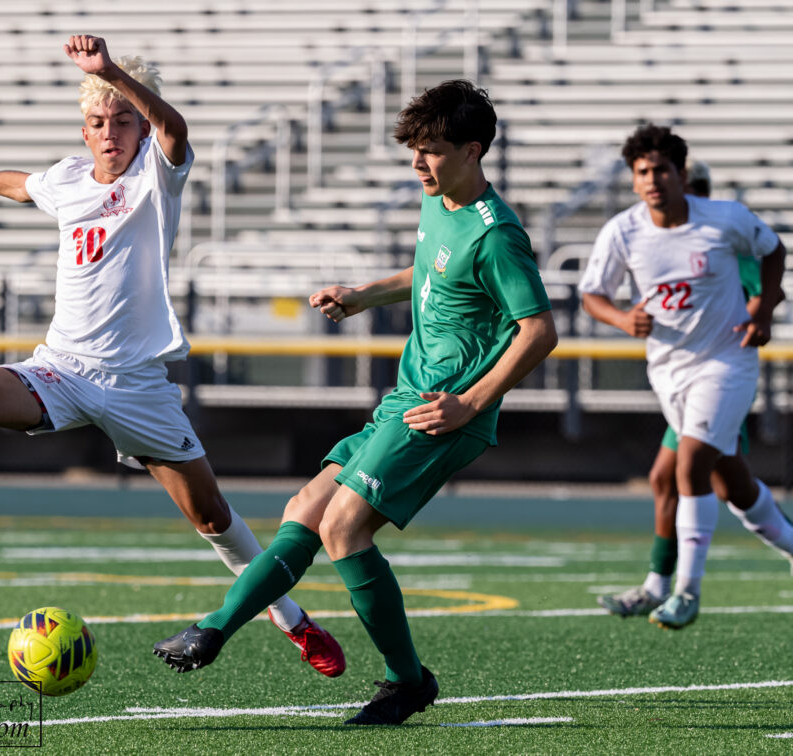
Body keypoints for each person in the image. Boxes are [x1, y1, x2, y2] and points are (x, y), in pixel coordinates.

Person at [0, 34, 345, 678]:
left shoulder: (158, 176)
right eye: (98, 122)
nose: (111, 133)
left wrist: (109, 71)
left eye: (122, 121)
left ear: (139, 127)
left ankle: (295, 622)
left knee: (213, 517)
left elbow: (175, 125)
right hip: (61, 371)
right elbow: (24, 186)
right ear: (85, 133)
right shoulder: (68, 178)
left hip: (138, 386)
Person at [152, 80, 558, 726]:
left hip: (442, 410)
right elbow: (429, 272)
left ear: (473, 151)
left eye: (430, 151)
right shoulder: (439, 201)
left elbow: (539, 331)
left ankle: (404, 681)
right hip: (404, 398)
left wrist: (471, 404)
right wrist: (362, 296)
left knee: (343, 529)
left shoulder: (497, 234)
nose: (418, 164)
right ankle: (213, 630)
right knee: (305, 510)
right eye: (414, 150)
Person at [580, 124, 792, 630]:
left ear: (682, 174)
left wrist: (762, 307)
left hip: (726, 364)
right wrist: (621, 318)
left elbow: (773, 253)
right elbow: (594, 294)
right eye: (643, 172)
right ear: (633, 180)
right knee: (726, 481)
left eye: (662, 170)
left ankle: (683, 592)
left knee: (689, 466)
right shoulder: (623, 231)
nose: (653, 180)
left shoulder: (725, 223)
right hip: (669, 372)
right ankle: (662, 583)